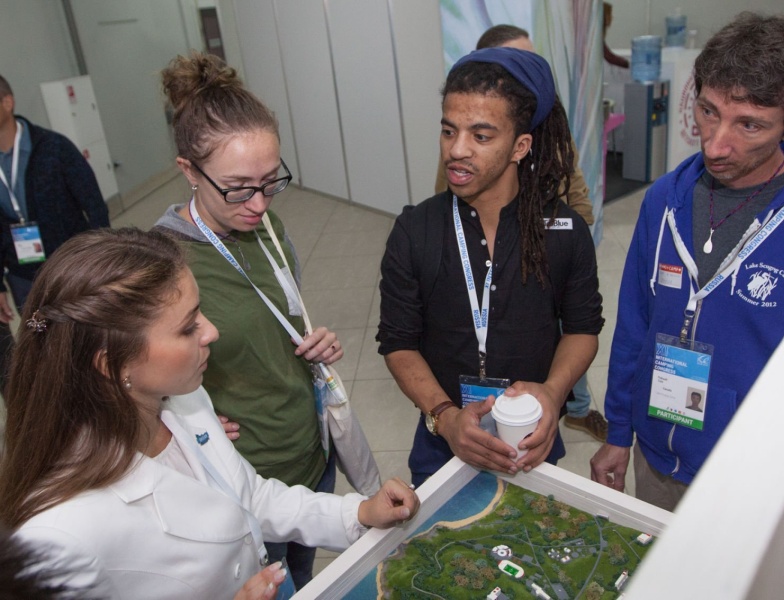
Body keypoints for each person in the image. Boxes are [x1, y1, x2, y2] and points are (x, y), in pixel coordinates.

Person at [0, 228, 418, 600]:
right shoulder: (58, 533)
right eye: (188, 327)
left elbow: (248, 496)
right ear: (112, 365)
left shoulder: (186, 398)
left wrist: (356, 513)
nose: (212, 331)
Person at [590, 13, 784, 512]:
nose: (715, 143)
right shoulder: (664, 201)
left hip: (758, 484)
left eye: (749, 124)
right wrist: (620, 431)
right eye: (708, 111)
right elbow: (635, 325)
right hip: (658, 460)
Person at [152, 53, 369, 589]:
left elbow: (276, 317)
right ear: (189, 171)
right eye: (238, 187)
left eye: (271, 181)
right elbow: (131, 376)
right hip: (246, 476)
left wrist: (313, 341)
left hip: (308, 450)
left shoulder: (267, 226)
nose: (258, 202)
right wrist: (176, 418)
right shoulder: (161, 264)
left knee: (304, 570)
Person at [379, 47, 605, 487]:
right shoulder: (415, 230)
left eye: (481, 136)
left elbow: (582, 329)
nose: (456, 150)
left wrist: (553, 392)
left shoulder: (562, 231)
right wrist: (446, 417)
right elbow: (398, 343)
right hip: (443, 446)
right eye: (449, 131)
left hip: (531, 442)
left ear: (521, 146)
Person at [433, 24, 608, 443]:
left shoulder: (551, 140)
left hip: (544, 260)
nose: (459, 146)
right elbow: (448, 207)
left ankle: (575, 407)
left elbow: (582, 328)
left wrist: (559, 237)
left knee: (557, 336)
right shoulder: (465, 150)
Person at [0, 74, 109, 391]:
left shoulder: (54, 148)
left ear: (7, 103)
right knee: (42, 337)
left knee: (86, 335)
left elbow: (93, 204)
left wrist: (100, 259)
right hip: (23, 277)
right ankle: (66, 397)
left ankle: (101, 391)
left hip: (70, 265)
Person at [603, 3, 630, 70]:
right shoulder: (596, 37)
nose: (612, 18)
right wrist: (627, 64)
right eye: (610, 15)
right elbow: (610, 57)